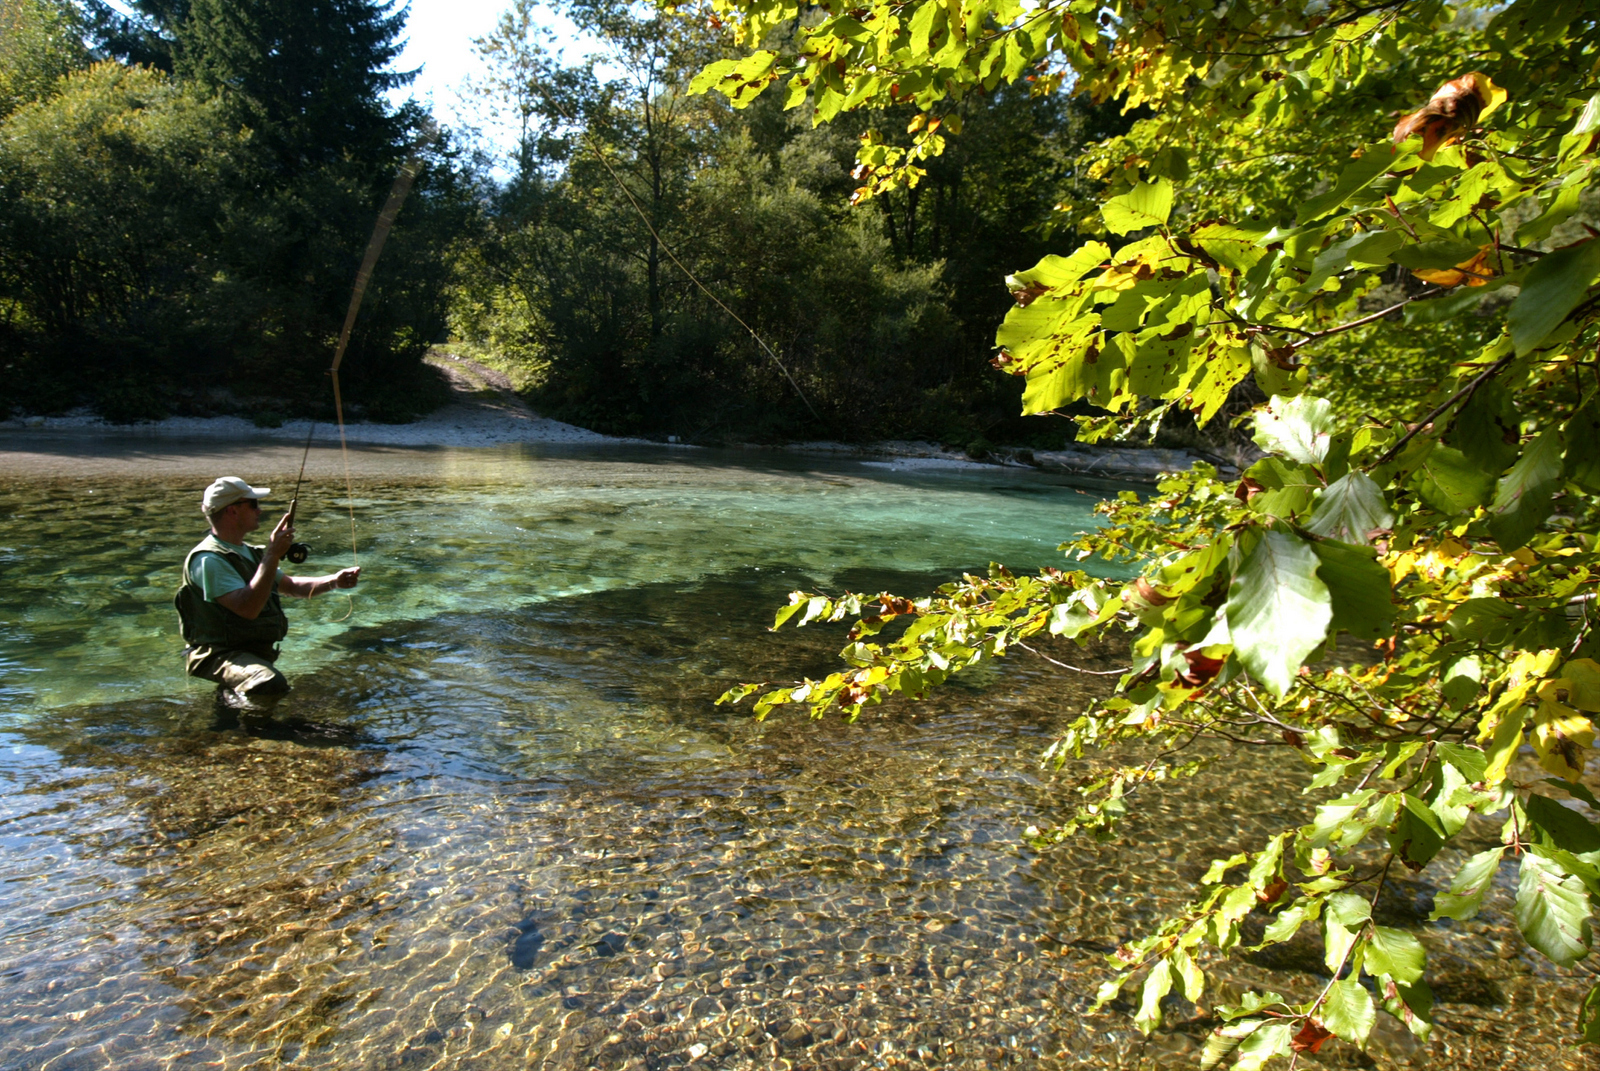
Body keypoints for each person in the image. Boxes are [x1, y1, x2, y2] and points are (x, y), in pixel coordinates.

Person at [174, 476, 360, 705]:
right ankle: (262, 731)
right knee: (268, 683)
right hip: (218, 654)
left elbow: (290, 586)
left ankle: (232, 722)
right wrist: (272, 554)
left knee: (244, 696)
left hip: (249, 651)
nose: (260, 510)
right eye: (253, 504)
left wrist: (334, 581)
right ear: (232, 511)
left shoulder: (250, 553)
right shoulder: (209, 560)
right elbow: (247, 608)